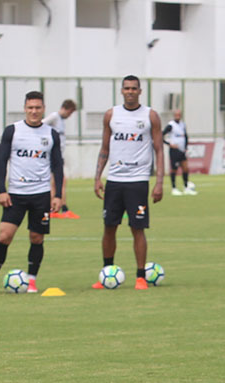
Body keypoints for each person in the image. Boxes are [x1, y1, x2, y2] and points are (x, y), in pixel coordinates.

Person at [0, 91, 64, 294]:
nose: (34, 111)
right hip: (16, 194)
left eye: (37, 108)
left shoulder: (51, 134)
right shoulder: (13, 131)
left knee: (37, 238)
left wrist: (58, 195)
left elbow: (57, 166)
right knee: (4, 236)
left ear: (43, 109)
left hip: (41, 194)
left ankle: (32, 280)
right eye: (30, 108)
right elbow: (1, 162)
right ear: (25, 108)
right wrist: (3, 190)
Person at [91, 75, 164, 291]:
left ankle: (141, 277)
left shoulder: (150, 115)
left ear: (140, 91)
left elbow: (159, 149)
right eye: (127, 88)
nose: (130, 92)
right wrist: (97, 178)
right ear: (121, 91)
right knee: (109, 228)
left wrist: (159, 182)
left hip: (138, 181)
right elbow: (105, 148)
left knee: (137, 228)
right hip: (114, 180)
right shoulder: (111, 115)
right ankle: (107, 273)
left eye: (134, 88)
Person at [44, 99, 78, 218]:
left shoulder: (61, 121)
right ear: (66, 109)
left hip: (59, 156)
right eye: (70, 113)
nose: (69, 116)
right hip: (52, 156)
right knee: (59, 181)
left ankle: (56, 208)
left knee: (57, 182)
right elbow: (41, 125)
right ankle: (60, 208)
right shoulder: (54, 117)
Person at [163, 108, 195, 196]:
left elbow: (186, 136)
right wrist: (169, 144)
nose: (178, 116)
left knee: (185, 168)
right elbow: (162, 135)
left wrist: (186, 147)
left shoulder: (182, 125)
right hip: (174, 150)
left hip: (182, 150)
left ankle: (186, 187)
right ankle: (174, 188)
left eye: (179, 115)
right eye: (176, 115)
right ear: (174, 115)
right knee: (174, 169)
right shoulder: (171, 125)